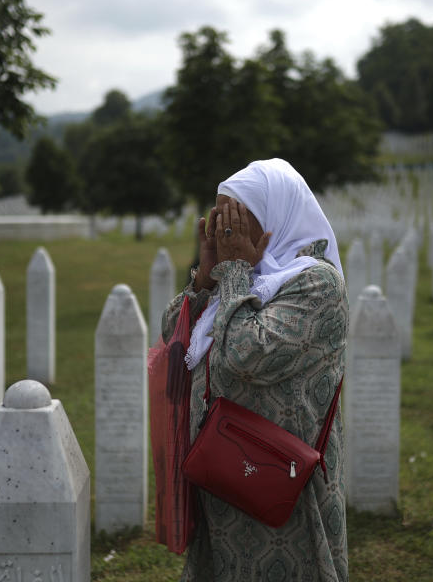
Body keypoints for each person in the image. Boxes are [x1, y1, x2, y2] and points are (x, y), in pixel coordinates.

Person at [161, 158, 348, 582]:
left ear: (273, 220)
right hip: (221, 476)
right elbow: (174, 339)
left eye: (237, 222)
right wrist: (206, 278)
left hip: (280, 486)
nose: (226, 235)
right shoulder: (240, 279)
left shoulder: (317, 285)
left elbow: (246, 353)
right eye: (220, 221)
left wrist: (233, 273)